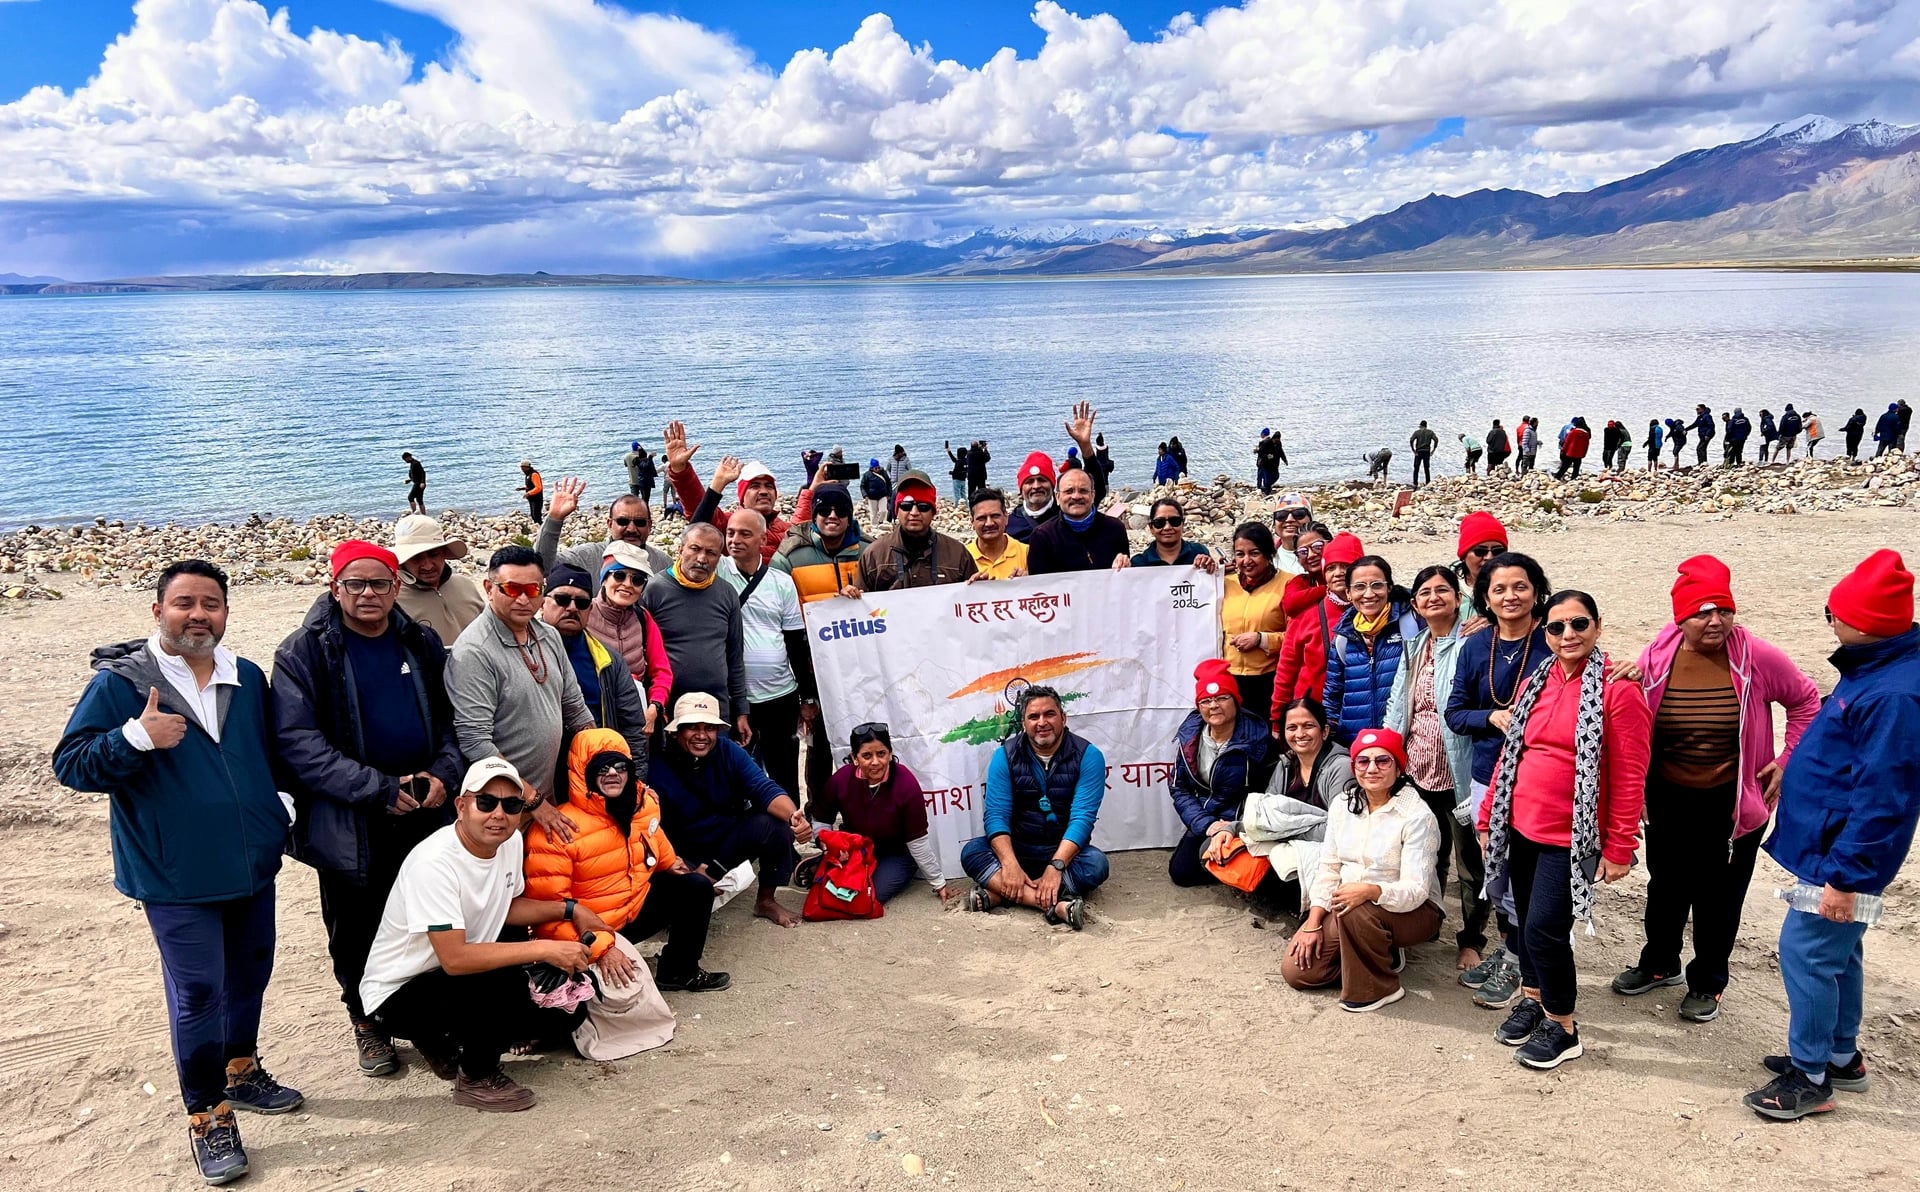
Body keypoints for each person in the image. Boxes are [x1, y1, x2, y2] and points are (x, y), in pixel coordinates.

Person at [52, 560, 302, 1184]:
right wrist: (134, 738)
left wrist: (282, 807)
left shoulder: (244, 676)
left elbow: (269, 756)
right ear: (157, 611)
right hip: (174, 873)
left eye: (211, 604)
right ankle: (207, 1113)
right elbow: (71, 766)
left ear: (225, 613)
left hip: (252, 863)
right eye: (184, 603)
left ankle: (240, 1072)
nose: (198, 614)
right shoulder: (120, 685)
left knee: (252, 973)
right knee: (198, 992)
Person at [271, 540, 465, 1078]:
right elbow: (297, 743)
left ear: (396, 587)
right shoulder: (304, 652)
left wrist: (442, 776)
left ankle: (427, 1019)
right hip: (350, 816)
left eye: (379, 583)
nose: (367, 594)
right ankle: (367, 1020)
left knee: (429, 915)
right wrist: (379, 788)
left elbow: (452, 721)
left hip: (424, 806)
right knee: (356, 922)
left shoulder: (418, 640)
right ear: (335, 588)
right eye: (354, 584)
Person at [1743, 550, 1919, 1120]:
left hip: (1841, 853)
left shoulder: (1893, 694)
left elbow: (1883, 798)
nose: (1830, 622)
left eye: (1832, 613)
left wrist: (1845, 878)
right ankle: (1841, 1056)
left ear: (1864, 623)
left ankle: (1810, 1076)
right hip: (1828, 841)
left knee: (1808, 951)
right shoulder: (1877, 667)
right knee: (1842, 952)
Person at [1610, 555, 1820, 1023]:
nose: (1715, 620)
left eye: (1723, 610)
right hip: (1667, 797)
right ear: (1681, 616)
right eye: (1703, 611)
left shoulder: (1756, 656)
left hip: (1732, 802)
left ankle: (1709, 981)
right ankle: (1660, 963)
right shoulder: (1658, 655)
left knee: (1719, 898)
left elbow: (1806, 700)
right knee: (1665, 886)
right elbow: (1635, 711)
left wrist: (1788, 761)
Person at [357, 756, 593, 1114]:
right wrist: (545, 949)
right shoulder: (435, 863)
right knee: (505, 983)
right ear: (461, 806)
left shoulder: (509, 841)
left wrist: (570, 909)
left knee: (563, 1014)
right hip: (396, 993)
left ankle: (440, 1043)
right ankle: (477, 1077)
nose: (498, 813)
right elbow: (455, 959)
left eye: (511, 805)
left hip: (447, 977)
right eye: (486, 802)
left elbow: (505, 905)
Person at [1478, 590, 1651, 1071]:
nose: (1567, 635)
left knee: (1545, 931)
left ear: (1598, 626)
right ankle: (1534, 998)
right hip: (1520, 828)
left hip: (1569, 837)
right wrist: (1490, 814)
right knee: (1524, 924)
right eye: (1556, 628)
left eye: (1578, 624)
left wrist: (1620, 846)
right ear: (1545, 633)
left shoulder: (1619, 689)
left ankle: (1563, 1026)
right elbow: (1513, 751)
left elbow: (1630, 773)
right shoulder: (1538, 680)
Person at [525, 728, 730, 994]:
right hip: (589, 932)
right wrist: (602, 949)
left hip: (633, 911)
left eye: (620, 766)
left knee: (695, 887)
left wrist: (670, 864)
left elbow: (653, 833)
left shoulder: (642, 803)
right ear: (581, 773)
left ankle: (680, 972)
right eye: (602, 768)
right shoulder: (557, 829)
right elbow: (550, 916)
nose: (612, 773)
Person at [1445, 550, 1551, 1007]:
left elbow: (1595, 684)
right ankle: (1512, 951)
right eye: (1499, 589)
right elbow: (1455, 713)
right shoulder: (1475, 646)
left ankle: (1525, 965)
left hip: (1542, 781)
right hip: (1488, 778)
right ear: (1484, 596)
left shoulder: (1554, 639)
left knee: (1529, 879)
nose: (1510, 596)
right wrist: (1491, 717)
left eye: (1520, 586)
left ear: (1536, 591)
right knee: (1499, 875)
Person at [1282, 728, 1444, 1012]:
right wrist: (1313, 922)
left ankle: (1379, 987)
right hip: (1350, 907)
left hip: (1414, 911)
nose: (1372, 769)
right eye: (1363, 761)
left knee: (1357, 906)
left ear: (1398, 767)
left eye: (1383, 761)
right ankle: (1380, 952)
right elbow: (1329, 867)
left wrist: (1370, 891)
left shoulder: (1418, 816)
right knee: (1298, 972)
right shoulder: (1343, 805)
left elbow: (1417, 891)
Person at [447, 546, 598, 837]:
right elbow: (476, 742)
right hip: (501, 806)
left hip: (547, 793)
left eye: (533, 588)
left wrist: (605, 760)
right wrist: (533, 801)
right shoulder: (474, 652)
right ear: (489, 588)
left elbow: (575, 708)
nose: (524, 598)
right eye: (512, 588)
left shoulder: (548, 635)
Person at [649, 692, 814, 928]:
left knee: (775, 825)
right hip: (678, 851)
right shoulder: (657, 765)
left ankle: (766, 900)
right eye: (692, 728)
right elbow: (645, 824)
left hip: (725, 844)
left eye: (709, 728)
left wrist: (795, 818)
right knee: (672, 906)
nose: (702, 736)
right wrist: (670, 860)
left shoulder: (729, 751)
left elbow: (763, 787)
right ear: (676, 731)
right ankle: (696, 882)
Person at [1383, 565, 1477, 966]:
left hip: (1462, 769)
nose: (1433, 598)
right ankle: (1429, 920)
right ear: (1416, 604)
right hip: (1419, 767)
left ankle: (1472, 940)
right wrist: (1387, 751)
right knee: (1427, 851)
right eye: (1424, 592)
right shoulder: (1415, 645)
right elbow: (1398, 704)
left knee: (1470, 861)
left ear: (1458, 598)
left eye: (1443, 590)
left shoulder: (1474, 641)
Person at [961, 686, 1108, 929]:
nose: (1042, 722)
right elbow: (996, 816)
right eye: (1033, 717)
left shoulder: (1089, 756)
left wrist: (1056, 866)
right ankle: (1055, 905)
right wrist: (1009, 865)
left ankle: (1000, 894)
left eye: (1049, 714)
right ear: (1023, 722)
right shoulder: (1005, 756)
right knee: (972, 852)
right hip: (1017, 849)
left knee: (1097, 864)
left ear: (1063, 717)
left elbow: (1082, 819)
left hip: (1062, 852)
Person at [718, 508, 817, 800]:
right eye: (731, 533)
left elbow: (795, 643)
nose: (735, 540)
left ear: (763, 539)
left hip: (780, 695)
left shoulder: (780, 582)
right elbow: (696, 529)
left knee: (784, 770)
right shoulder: (717, 571)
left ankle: (789, 835)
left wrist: (807, 696)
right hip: (735, 696)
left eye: (745, 534)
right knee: (736, 771)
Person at [810, 723, 950, 903]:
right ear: (855, 758)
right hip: (856, 849)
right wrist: (829, 848)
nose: (875, 762)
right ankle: (820, 863)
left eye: (881, 754)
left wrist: (938, 882)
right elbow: (821, 819)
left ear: (890, 754)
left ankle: (823, 868)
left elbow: (917, 841)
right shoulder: (841, 780)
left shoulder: (906, 783)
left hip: (896, 854)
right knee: (834, 890)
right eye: (867, 755)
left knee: (867, 896)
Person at [1167, 660, 1275, 886]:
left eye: (1222, 698)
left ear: (1236, 701)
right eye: (1206, 701)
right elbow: (1179, 787)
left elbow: (1267, 792)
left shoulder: (1258, 738)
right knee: (1182, 873)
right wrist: (1206, 824)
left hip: (1243, 820)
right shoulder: (1190, 738)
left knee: (1251, 874)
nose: (1213, 705)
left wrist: (1233, 827)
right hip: (1208, 817)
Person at [641, 524, 750, 742]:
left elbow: (735, 656)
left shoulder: (727, 593)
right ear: (680, 550)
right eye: (695, 549)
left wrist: (741, 710)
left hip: (716, 707)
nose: (702, 558)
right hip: (669, 706)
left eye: (711, 553)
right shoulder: (654, 590)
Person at [543, 562, 661, 750]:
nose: (572, 608)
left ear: (590, 609)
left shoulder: (609, 661)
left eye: (581, 602)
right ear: (542, 603)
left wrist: (635, 776)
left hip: (595, 767)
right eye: (562, 599)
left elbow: (632, 727)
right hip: (536, 767)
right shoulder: (520, 652)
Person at [1324, 555, 1420, 746]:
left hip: (1405, 742)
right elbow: (1332, 696)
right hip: (1357, 744)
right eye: (1359, 587)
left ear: (1389, 588)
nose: (1369, 594)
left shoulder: (1412, 625)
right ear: (1348, 593)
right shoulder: (1343, 638)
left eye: (1377, 585)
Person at [663, 428, 795, 565]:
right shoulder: (727, 524)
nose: (763, 491)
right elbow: (698, 509)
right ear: (742, 497)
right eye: (755, 486)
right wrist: (680, 470)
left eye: (769, 486)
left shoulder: (787, 529)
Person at [582, 545, 672, 732]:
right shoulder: (582, 614)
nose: (628, 584)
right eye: (619, 575)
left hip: (638, 718)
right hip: (591, 719)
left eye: (637, 579)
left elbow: (661, 671)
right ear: (604, 579)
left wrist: (655, 706)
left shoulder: (643, 618)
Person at [1272, 531, 1363, 714]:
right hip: (1314, 715)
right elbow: (1286, 672)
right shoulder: (1305, 615)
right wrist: (1277, 719)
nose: (1338, 573)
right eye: (1331, 568)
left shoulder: (1380, 611)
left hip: (1364, 712)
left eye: (1345, 566)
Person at [535, 478, 672, 589]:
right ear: (610, 524)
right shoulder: (587, 557)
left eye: (639, 522)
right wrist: (554, 519)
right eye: (622, 521)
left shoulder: (663, 564)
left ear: (650, 525)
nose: (631, 529)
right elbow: (543, 567)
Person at [859, 469, 978, 588]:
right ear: (897, 511)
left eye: (923, 507)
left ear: (933, 512)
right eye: (906, 506)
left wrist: (983, 586)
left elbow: (973, 599)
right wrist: (849, 597)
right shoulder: (873, 555)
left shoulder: (958, 553)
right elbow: (860, 602)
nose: (914, 512)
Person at [1218, 522, 1287, 718]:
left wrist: (1261, 639)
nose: (1246, 560)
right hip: (1229, 681)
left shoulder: (1288, 584)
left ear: (1269, 553)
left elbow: (1296, 637)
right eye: (1240, 554)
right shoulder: (1223, 583)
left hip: (1269, 681)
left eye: (1254, 553)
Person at [394, 513, 488, 643]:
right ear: (403, 561)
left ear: (444, 553)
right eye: (416, 558)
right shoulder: (394, 601)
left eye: (433, 555)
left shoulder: (466, 585)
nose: (427, 566)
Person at [774, 481, 867, 604]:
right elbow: (774, 604)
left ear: (849, 518)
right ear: (814, 517)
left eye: (841, 511)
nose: (832, 516)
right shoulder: (788, 558)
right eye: (824, 510)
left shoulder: (870, 553)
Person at [1027, 466, 1130, 574]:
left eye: (1083, 491)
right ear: (1057, 497)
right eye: (1069, 491)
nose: (1076, 496)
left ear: (1092, 495)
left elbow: (1124, 580)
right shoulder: (1042, 536)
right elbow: (1039, 584)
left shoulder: (1115, 528)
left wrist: (1124, 564)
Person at [1452, 510, 1508, 628]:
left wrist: (1496, 620)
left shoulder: (1521, 588)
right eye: (1480, 551)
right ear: (1464, 555)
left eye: (1498, 551)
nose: (1489, 557)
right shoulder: (1446, 585)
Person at [1130, 497, 1218, 570]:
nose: (1167, 527)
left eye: (1174, 521)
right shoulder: (1138, 564)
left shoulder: (1199, 552)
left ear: (1183, 524)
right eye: (1159, 523)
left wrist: (1213, 567)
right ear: (1151, 527)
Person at [966, 487, 1030, 580]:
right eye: (982, 518)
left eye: (995, 516)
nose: (989, 523)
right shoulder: (963, 557)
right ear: (972, 522)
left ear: (1006, 518)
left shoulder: (1026, 553)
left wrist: (1028, 580)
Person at [860, 457, 893, 526]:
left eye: (878, 467)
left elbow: (888, 483)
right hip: (871, 497)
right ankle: (874, 526)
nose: (877, 469)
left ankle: (881, 522)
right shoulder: (867, 475)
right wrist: (865, 495)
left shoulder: (883, 473)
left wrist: (889, 494)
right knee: (873, 513)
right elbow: (862, 486)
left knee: (883, 511)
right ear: (872, 468)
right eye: (875, 468)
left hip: (883, 495)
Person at [1255, 428, 1287, 494]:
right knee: (1265, 478)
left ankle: (1266, 487)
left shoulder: (1278, 444)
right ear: (1273, 439)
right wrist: (1267, 456)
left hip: (1275, 465)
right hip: (1266, 464)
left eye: (1279, 440)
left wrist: (1284, 460)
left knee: (1276, 476)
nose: (1277, 441)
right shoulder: (1266, 443)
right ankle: (1266, 491)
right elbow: (1260, 452)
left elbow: (1281, 452)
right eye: (1276, 440)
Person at [1409, 420, 1439, 487]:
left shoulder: (1417, 432)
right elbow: (1436, 440)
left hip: (1418, 452)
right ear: (1426, 426)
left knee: (1416, 468)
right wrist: (1434, 449)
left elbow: (1411, 440)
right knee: (1426, 468)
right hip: (1427, 451)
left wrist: (1413, 450)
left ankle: (1415, 483)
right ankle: (1428, 482)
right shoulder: (1430, 432)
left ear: (1420, 426)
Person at [402, 451, 427, 515]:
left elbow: (422, 473)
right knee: (419, 500)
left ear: (409, 457)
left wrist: (422, 482)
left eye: (405, 459)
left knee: (410, 497)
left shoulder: (416, 463)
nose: (405, 461)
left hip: (418, 483)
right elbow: (416, 475)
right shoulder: (412, 464)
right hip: (417, 482)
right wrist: (410, 480)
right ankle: (423, 515)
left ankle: (414, 512)